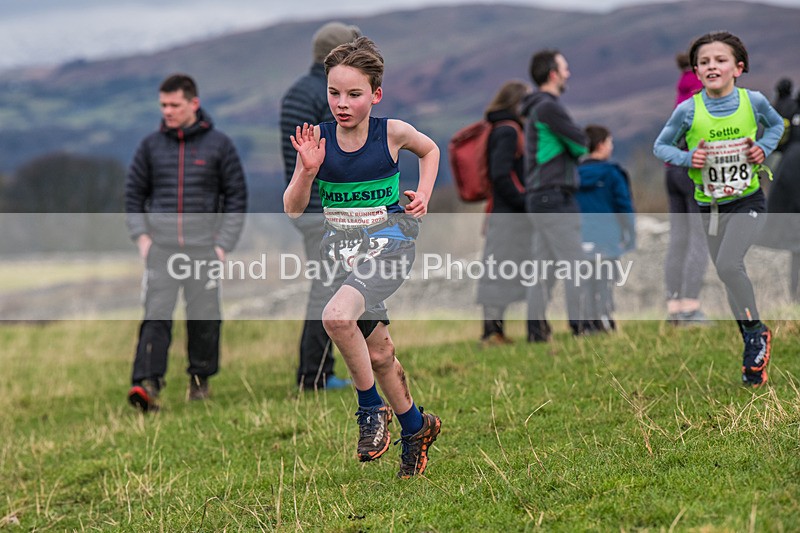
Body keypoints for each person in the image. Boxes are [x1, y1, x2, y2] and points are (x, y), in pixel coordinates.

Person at [283, 37, 441, 478]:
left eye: (354, 94)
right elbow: (293, 207)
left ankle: (371, 409)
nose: (342, 103)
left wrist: (423, 195)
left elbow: (430, 151)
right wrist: (308, 171)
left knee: (336, 318)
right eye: (334, 93)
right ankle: (417, 426)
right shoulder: (317, 140)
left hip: (391, 244)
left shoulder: (391, 132)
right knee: (381, 353)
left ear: (376, 94)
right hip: (343, 256)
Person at [653, 31, 784, 387]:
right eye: (705, 62)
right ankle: (752, 348)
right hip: (710, 206)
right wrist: (686, 157)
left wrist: (762, 148)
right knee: (728, 275)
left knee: (728, 263)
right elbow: (660, 146)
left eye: (720, 60)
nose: (712, 66)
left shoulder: (752, 101)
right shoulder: (687, 110)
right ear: (696, 71)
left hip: (749, 199)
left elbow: (776, 126)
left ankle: (756, 332)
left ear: (738, 68)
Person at [125, 73, 248, 411]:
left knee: (205, 317)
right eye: (163, 105)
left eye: (174, 105)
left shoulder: (219, 145)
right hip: (161, 249)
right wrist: (142, 238)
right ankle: (147, 384)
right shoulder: (150, 146)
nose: (167, 111)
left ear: (193, 103)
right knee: (156, 315)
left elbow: (236, 196)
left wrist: (223, 244)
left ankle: (200, 380)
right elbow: (134, 195)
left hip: (204, 248)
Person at [280, 21, 361, 391]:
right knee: (327, 290)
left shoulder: (298, 91)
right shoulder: (327, 96)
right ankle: (314, 376)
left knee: (328, 287)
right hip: (323, 208)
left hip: (305, 205)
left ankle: (318, 371)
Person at [475, 80, 550, 345]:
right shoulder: (508, 131)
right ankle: (491, 333)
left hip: (506, 212)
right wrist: (524, 201)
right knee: (500, 271)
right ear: (517, 103)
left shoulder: (503, 128)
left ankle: (495, 331)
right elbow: (500, 174)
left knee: (503, 270)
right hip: (509, 215)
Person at [521, 49, 588, 338]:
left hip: (539, 197)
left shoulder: (535, 108)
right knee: (575, 263)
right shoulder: (549, 107)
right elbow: (581, 144)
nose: (568, 73)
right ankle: (582, 326)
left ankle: (536, 330)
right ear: (553, 74)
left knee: (543, 267)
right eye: (565, 68)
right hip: (554, 195)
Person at [664, 52, 710, 325]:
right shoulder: (700, 90)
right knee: (699, 240)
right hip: (692, 170)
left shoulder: (681, 88)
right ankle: (691, 309)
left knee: (678, 241)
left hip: (671, 171)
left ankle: (674, 308)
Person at [575, 125, 635, 333]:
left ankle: (586, 325)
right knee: (605, 282)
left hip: (580, 237)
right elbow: (624, 205)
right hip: (607, 237)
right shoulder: (612, 173)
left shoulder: (573, 175)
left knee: (586, 283)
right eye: (610, 142)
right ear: (601, 145)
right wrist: (630, 233)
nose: (611, 146)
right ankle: (605, 321)